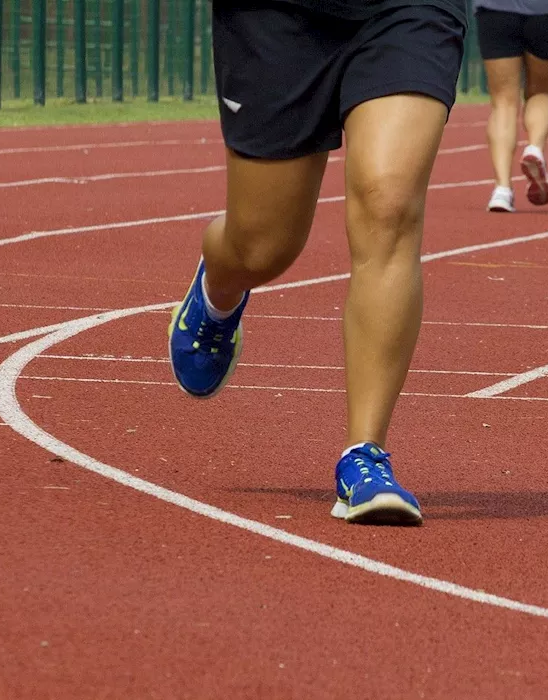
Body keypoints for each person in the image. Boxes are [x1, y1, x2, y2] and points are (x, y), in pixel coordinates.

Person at [167, 0, 467, 526]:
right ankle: (220, 287)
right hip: (277, 16)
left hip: (408, 9)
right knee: (263, 247)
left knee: (389, 205)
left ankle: (365, 457)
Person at [474, 0, 548, 213]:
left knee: (503, 102)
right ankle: (534, 147)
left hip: (495, 10)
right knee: (542, 92)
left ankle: (502, 189)